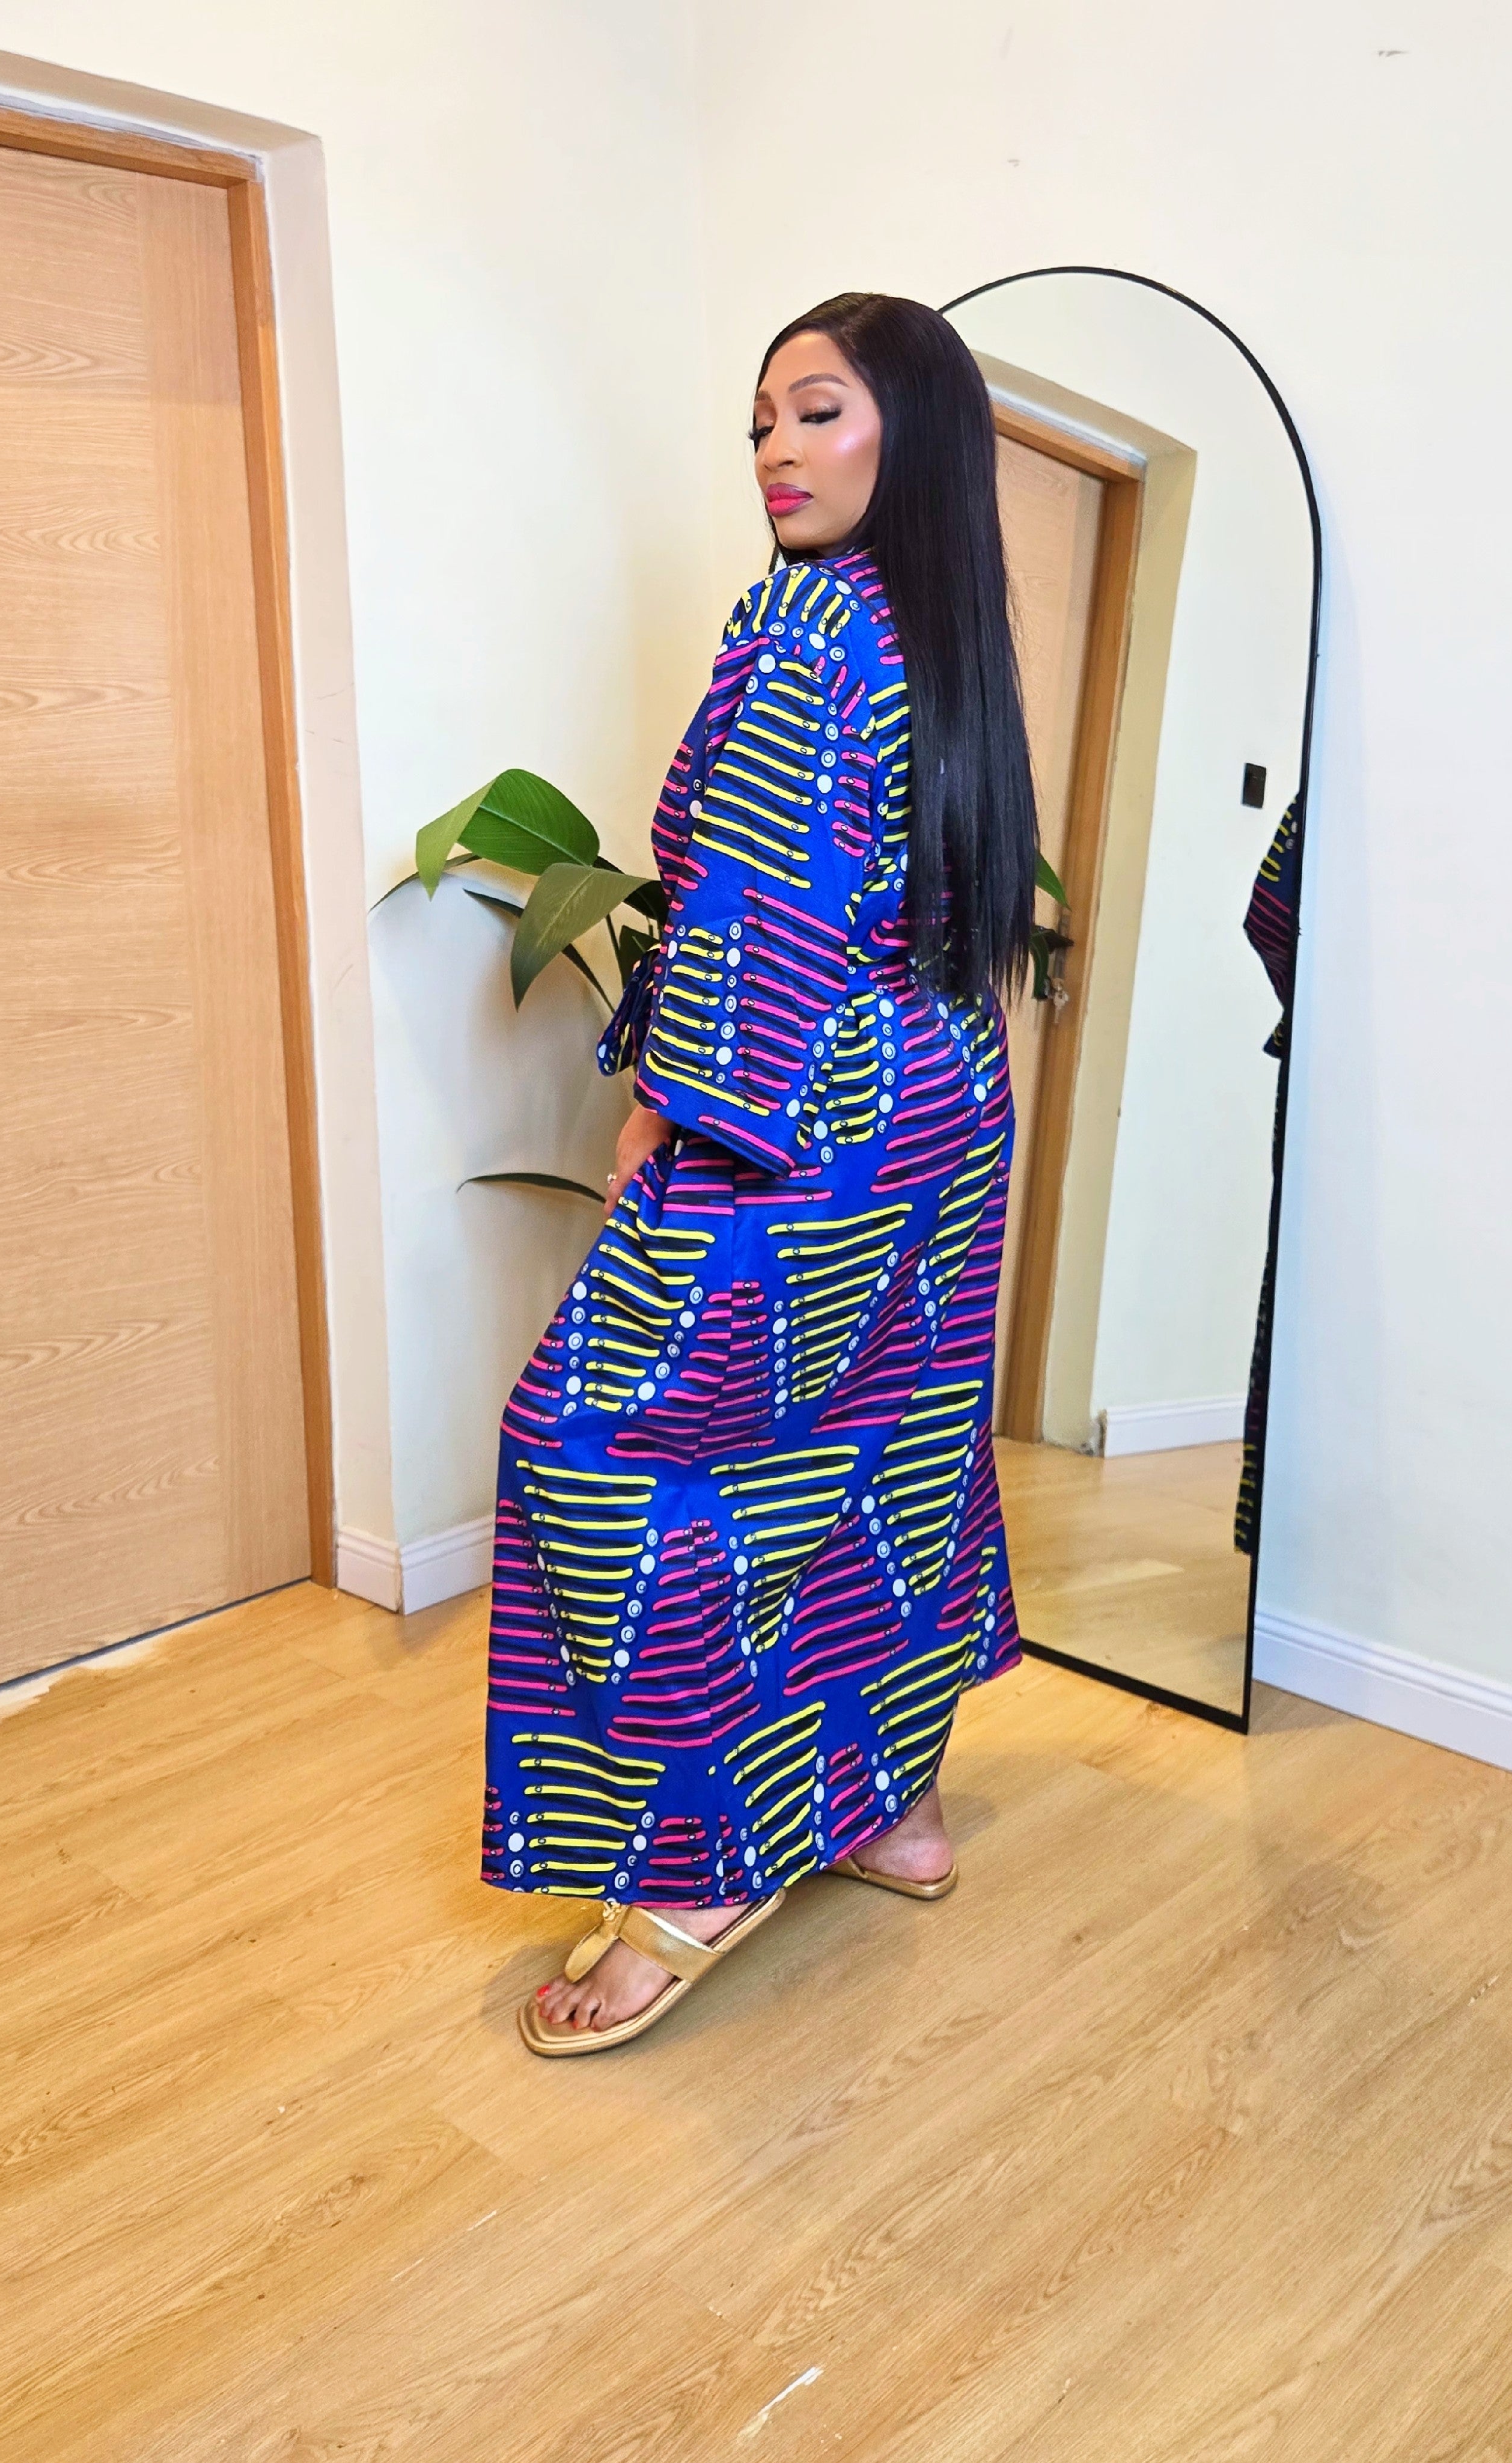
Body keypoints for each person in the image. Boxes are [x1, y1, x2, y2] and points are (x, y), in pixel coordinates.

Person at [486, 293, 1040, 2056]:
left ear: (912, 437)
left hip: (799, 1095)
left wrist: (670, 1091)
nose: (776, 453)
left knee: (608, 1447)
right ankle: (891, 1805)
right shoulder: (950, 643)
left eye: (817, 412)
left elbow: (753, 896)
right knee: (885, 1443)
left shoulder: (805, 617)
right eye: (759, 423)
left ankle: (704, 1863)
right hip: (940, 1095)